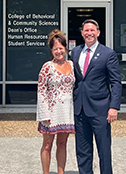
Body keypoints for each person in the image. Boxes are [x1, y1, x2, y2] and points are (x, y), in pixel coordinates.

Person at [72, 19, 122, 174]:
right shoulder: (75, 52)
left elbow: (116, 82)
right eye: (86, 30)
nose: (89, 33)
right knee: (83, 151)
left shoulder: (108, 53)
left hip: (100, 110)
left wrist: (113, 107)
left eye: (92, 30)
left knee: (104, 151)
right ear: (82, 33)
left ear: (98, 33)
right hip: (80, 110)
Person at [37, 29, 76, 174]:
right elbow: (41, 91)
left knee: (62, 144)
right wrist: (43, 113)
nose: (59, 51)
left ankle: (61, 172)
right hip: (50, 112)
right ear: (51, 50)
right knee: (47, 145)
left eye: (61, 48)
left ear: (65, 48)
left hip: (66, 112)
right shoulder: (47, 67)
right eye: (55, 49)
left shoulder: (72, 65)